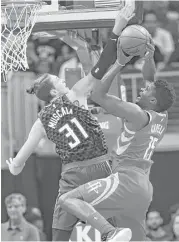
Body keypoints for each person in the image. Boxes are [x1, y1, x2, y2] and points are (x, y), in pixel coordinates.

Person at [6, 2, 140, 241]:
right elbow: (102, 65)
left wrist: (14, 164)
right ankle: (112, 232)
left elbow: (20, 161)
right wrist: (117, 27)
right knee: (109, 214)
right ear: (55, 93)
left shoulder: (40, 122)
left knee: (60, 230)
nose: (65, 83)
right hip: (101, 166)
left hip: (73, 174)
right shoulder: (74, 95)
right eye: (60, 82)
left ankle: (111, 232)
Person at [57, 9, 176, 242]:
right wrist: (149, 58)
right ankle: (112, 232)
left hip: (126, 180)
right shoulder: (161, 116)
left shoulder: (136, 113)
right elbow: (151, 79)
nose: (142, 88)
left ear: (152, 100)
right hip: (142, 188)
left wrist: (120, 63)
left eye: (145, 91)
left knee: (68, 200)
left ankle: (109, 232)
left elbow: (99, 96)